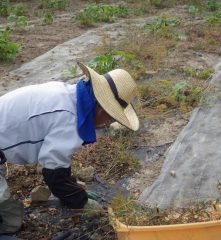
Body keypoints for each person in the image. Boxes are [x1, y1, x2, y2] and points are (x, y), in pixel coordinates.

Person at [0, 63, 139, 234]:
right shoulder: (69, 118)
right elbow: (54, 173)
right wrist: (80, 201)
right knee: (9, 221)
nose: (107, 123)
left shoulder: (69, 94)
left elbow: (57, 162)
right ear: (102, 109)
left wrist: (73, 188)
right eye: (111, 117)